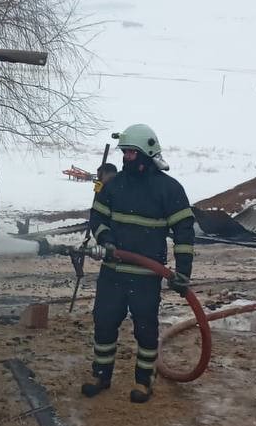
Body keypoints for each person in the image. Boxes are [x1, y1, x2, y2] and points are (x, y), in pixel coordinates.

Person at [82, 125, 195, 404]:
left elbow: (184, 232)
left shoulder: (168, 189)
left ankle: (144, 382)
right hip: (113, 272)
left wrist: (183, 272)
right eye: (125, 152)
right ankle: (101, 374)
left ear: (147, 153)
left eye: (132, 153)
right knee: (104, 323)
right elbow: (97, 219)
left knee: (145, 329)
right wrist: (105, 239)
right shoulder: (114, 186)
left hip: (146, 275)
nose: (127, 158)